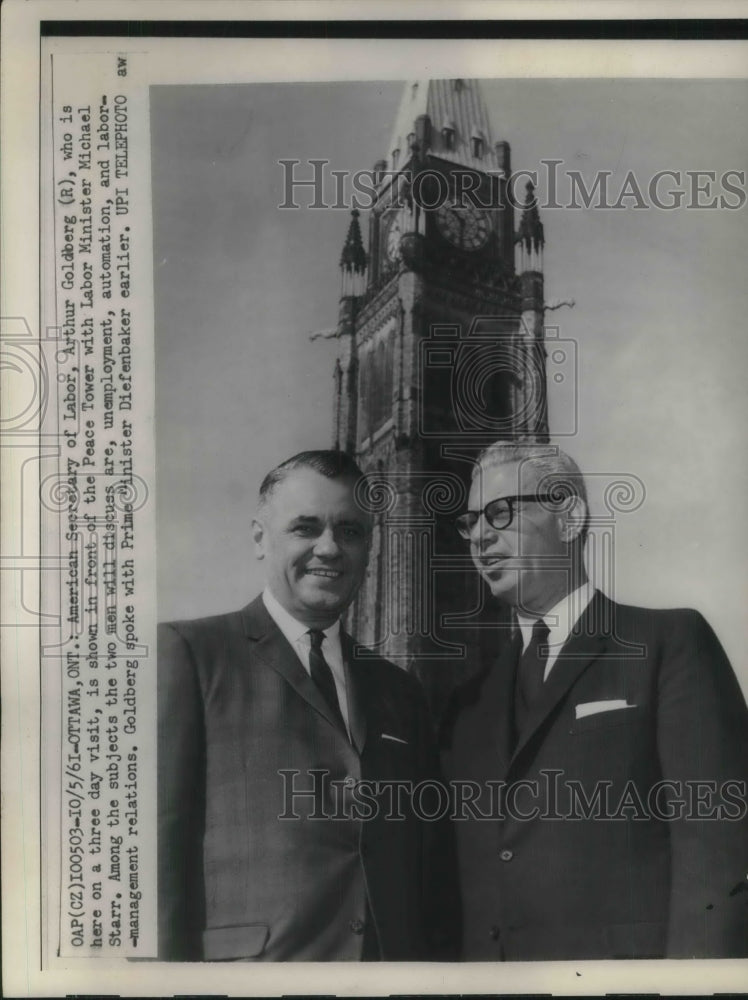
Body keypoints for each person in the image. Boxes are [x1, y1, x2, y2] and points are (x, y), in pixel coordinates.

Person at [441, 441, 748, 960]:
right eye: (470, 521)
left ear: (570, 517)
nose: (480, 536)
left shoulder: (667, 642)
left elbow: (715, 855)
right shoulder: (464, 703)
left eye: (500, 511)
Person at [157, 450, 457, 961]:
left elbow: (432, 867)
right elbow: (161, 850)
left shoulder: (399, 690)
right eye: (306, 527)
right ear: (260, 538)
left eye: (351, 531)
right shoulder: (191, 654)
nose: (330, 548)